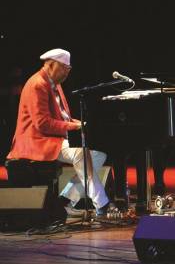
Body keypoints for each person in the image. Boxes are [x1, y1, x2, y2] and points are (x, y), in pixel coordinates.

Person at [7, 48, 110, 216]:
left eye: (69, 69)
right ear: (50, 65)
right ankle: (102, 203)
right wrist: (74, 127)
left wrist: (78, 123)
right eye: (64, 67)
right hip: (36, 140)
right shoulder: (37, 84)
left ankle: (66, 199)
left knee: (99, 154)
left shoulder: (55, 84)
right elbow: (42, 124)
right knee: (80, 153)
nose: (67, 72)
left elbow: (63, 117)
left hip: (52, 137)